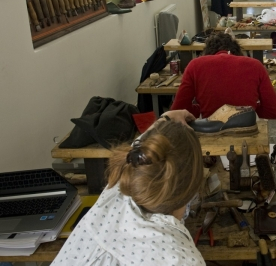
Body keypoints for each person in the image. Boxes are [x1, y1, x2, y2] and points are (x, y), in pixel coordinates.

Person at [52, 109, 206, 266]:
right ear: (193, 188)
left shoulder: (114, 194)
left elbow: (142, 152)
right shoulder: (182, 260)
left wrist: (166, 117)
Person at [171, 32, 276, 119]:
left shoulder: (195, 65)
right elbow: (273, 111)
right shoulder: (255, 65)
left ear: (208, 53)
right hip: (246, 132)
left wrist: (202, 108)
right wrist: (249, 108)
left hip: (210, 133)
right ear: (237, 51)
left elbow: (177, 110)